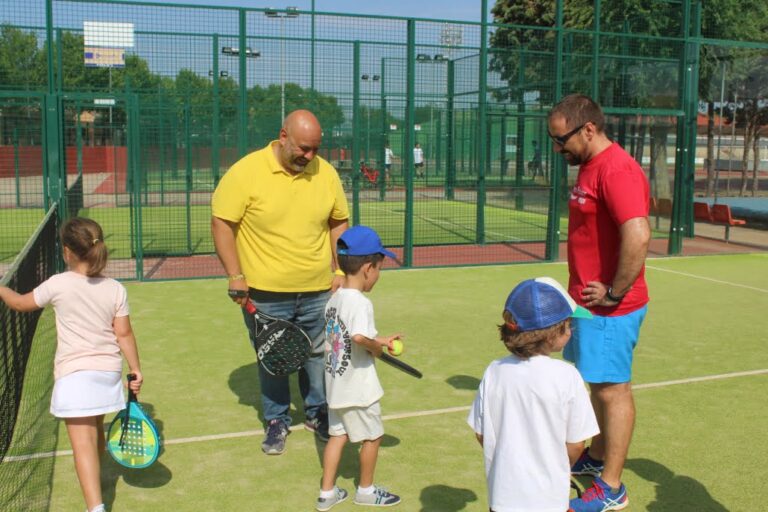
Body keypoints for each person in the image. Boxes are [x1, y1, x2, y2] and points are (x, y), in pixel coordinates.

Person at [211, 109, 350, 455]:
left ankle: (317, 412)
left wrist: (340, 271)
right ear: (283, 136)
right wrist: (235, 275)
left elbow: (338, 222)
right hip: (265, 292)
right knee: (272, 357)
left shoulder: (326, 173)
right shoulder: (246, 172)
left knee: (317, 356)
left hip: (319, 289)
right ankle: (276, 419)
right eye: (303, 148)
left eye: (316, 149)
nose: (310, 156)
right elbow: (222, 222)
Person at [547, 94, 651, 512]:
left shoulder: (616, 170)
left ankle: (611, 486)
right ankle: (596, 453)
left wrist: (614, 291)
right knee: (595, 382)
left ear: (588, 129)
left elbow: (638, 234)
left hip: (611, 309)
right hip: (586, 306)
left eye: (561, 139)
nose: (558, 148)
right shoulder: (589, 165)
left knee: (613, 390)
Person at [0, 217, 143, 512]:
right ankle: (96, 484)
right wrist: (135, 368)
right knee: (96, 430)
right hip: (107, 374)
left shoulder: (58, 284)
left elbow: (19, 303)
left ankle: (96, 507)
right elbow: (124, 333)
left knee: (82, 446)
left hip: (74, 377)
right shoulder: (115, 288)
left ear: (67, 251)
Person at [467, 277, 599, 512]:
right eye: (568, 324)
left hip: (502, 497)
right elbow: (576, 444)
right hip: (549, 500)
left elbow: (481, 433)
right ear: (551, 335)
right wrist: (558, 467)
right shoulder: (568, 376)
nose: (571, 329)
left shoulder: (494, 370)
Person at [316, 225, 402, 511]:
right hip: (359, 390)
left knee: (337, 436)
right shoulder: (361, 303)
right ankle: (366, 490)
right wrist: (377, 348)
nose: (378, 275)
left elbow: (345, 335)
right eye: (379, 269)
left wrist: (381, 339)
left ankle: (327, 493)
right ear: (368, 268)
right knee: (373, 436)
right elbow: (358, 337)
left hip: (336, 386)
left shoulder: (335, 298)